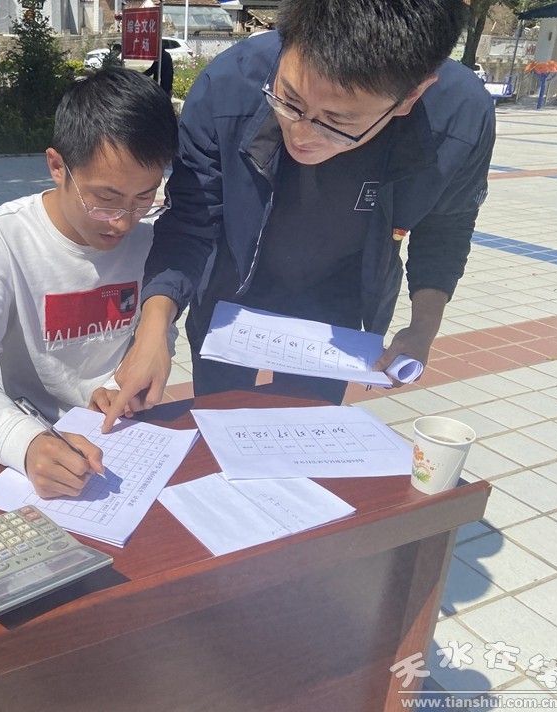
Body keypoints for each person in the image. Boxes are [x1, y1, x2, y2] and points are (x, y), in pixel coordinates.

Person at [101, 0, 495, 429]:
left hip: (336, 300)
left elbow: (445, 227)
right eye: (289, 100)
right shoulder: (229, 85)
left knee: (307, 427)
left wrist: (423, 328)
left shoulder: (459, 118)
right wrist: (153, 329)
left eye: (336, 121)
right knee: (219, 421)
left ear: (410, 96)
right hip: (230, 295)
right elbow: (190, 219)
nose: (302, 134)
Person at [0, 67, 178, 498]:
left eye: (144, 198)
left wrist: (127, 386)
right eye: (105, 199)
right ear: (57, 166)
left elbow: (157, 335)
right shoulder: (0, 239)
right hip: (28, 446)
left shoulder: (151, 240)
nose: (123, 222)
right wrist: (25, 441)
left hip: (122, 439)